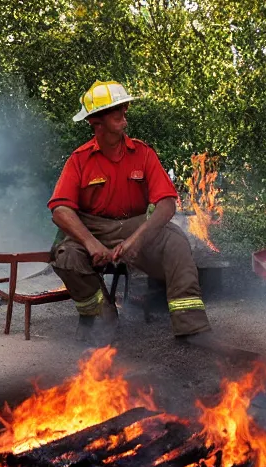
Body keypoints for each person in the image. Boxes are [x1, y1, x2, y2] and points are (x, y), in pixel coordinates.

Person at [49, 80, 213, 346]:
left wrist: (137, 240)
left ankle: (191, 328)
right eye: (116, 110)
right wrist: (91, 244)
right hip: (93, 229)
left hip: (138, 227)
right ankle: (102, 318)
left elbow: (167, 204)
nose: (124, 113)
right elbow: (60, 209)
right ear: (95, 121)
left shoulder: (143, 153)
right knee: (66, 257)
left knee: (176, 242)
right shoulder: (79, 160)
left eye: (124, 108)